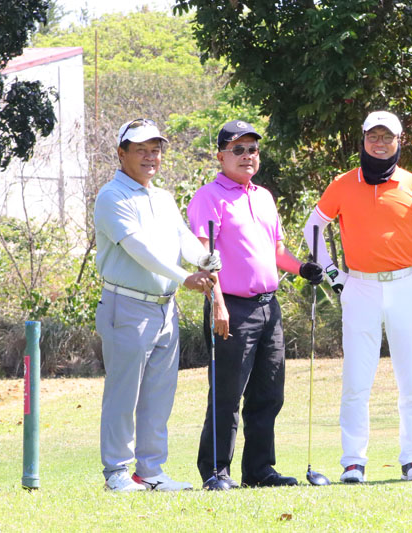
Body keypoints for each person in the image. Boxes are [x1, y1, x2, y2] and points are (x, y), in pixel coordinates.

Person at [303, 111, 412, 483]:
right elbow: (313, 227)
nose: (380, 143)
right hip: (359, 286)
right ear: (363, 139)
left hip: (405, 286)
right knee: (356, 379)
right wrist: (335, 276)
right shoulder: (342, 184)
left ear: (399, 140)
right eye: (373, 136)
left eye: (387, 137)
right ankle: (353, 461)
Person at [187, 120, 324, 488]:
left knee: (268, 394)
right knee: (227, 394)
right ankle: (216, 471)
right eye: (238, 149)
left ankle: (259, 470)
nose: (247, 156)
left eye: (252, 149)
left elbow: (276, 250)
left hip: (267, 308)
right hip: (231, 307)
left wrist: (302, 268)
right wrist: (217, 304)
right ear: (221, 157)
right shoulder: (208, 197)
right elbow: (204, 257)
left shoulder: (263, 196)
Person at [95, 118, 220, 492]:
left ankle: (149, 470)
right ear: (122, 154)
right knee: (124, 393)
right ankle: (117, 472)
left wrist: (204, 258)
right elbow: (139, 249)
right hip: (126, 305)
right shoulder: (111, 196)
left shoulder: (162, 197)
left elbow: (183, 238)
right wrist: (185, 277)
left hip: (165, 308)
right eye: (141, 150)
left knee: (158, 394)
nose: (151, 157)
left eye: (156, 150)